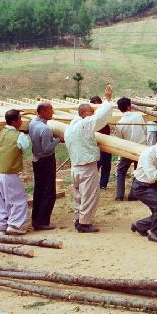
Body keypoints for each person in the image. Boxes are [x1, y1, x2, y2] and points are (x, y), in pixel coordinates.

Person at [66, 86, 114, 233]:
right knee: (89, 195)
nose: (92, 114)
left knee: (78, 195)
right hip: (86, 166)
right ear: (83, 114)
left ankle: (78, 218)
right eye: (89, 112)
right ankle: (84, 223)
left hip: (75, 166)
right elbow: (100, 117)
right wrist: (107, 99)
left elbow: (94, 117)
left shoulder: (71, 126)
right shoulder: (84, 124)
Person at [0, 109, 32, 234]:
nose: (21, 121)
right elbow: (25, 148)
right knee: (17, 199)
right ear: (14, 121)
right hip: (9, 172)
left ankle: (2, 225)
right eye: (19, 119)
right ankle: (14, 225)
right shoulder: (20, 136)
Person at [28, 102, 61, 231]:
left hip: (37, 159)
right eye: (50, 111)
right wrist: (58, 140)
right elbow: (47, 148)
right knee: (49, 192)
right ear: (42, 112)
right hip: (46, 160)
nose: (52, 113)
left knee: (39, 190)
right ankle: (42, 222)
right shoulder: (45, 129)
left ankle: (36, 219)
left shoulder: (32, 124)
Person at [111, 97, 146, 201]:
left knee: (121, 171)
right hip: (140, 148)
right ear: (129, 106)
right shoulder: (138, 116)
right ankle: (134, 195)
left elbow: (119, 139)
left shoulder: (119, 123)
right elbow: (144, 130)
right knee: (138, 171)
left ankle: (119, 195)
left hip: (127, 149)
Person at [89, 96, 113, 189]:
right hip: (95, 145)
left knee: (106, 164)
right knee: (97, 163)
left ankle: (103, 184)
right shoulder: (91, 119)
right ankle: (93, 183)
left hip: (106, 144)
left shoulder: (103, 118)